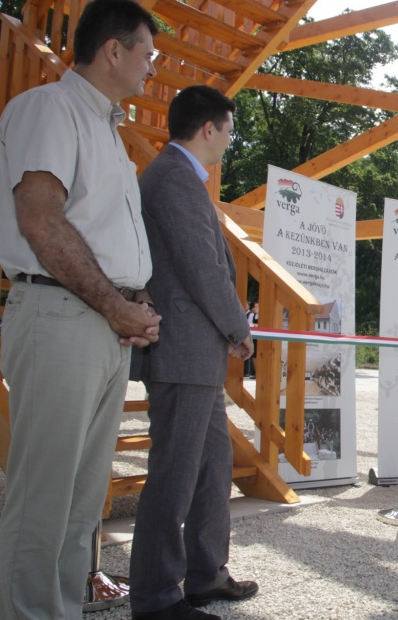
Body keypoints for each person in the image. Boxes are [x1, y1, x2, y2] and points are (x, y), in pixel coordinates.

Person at [0, 0, 162, 619]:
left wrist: (136, 301)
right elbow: (40, 220)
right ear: (113, 50)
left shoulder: (108, 131)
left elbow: (102, 238)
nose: (153, 66)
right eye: (148, 53)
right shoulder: (49, 108)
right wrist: (116, 305)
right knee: (45, 498)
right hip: (61, 316)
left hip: (98, 323)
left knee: (81, 503)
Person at [129, 85, 257, 620]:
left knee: (211, 466)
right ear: (209, 128)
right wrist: (238, 329)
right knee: (175, 476)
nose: (229, 140)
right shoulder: (174, 178)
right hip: (182, 352)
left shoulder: (178, 177)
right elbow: (203, 269)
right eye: (229, 130)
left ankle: (206, 575)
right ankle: (156, 597)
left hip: (194, 355)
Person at [244, 301, 259, 378]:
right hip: (254, 336)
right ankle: (256, 372)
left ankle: (257, 372)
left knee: (258, 354)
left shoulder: (253, 315)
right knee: (254, 354)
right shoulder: (255, 315)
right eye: (255, 307)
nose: (256, 308)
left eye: (258, 307)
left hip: (261, 336)